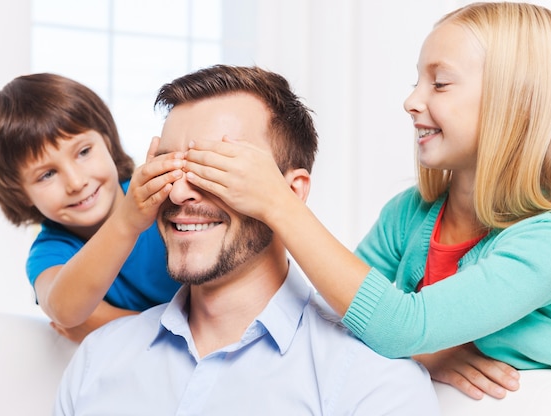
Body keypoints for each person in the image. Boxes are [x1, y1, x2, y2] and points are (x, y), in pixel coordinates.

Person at [182, 2, 551, 401]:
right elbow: (331, 314)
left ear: (515, 104)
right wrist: (425, 353)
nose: (411, 101)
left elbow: (402, 326)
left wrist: (278, 204)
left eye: (439, 84)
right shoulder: (409, 213)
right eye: (417, 82)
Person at [54, 65, 439, 415]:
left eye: (218, 167)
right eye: (169, 168)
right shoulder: (98, 360)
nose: (179, 194)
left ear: (292, 191)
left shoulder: (371, 381)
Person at [0, 73, 181, 342]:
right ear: (20, 193)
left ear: (106, 141)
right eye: (47, 175)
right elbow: (65, 311)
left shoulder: (162, 195)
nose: (76, 182)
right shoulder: (50, 252)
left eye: (83, 152)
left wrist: (106, 325)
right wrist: (127, 222)